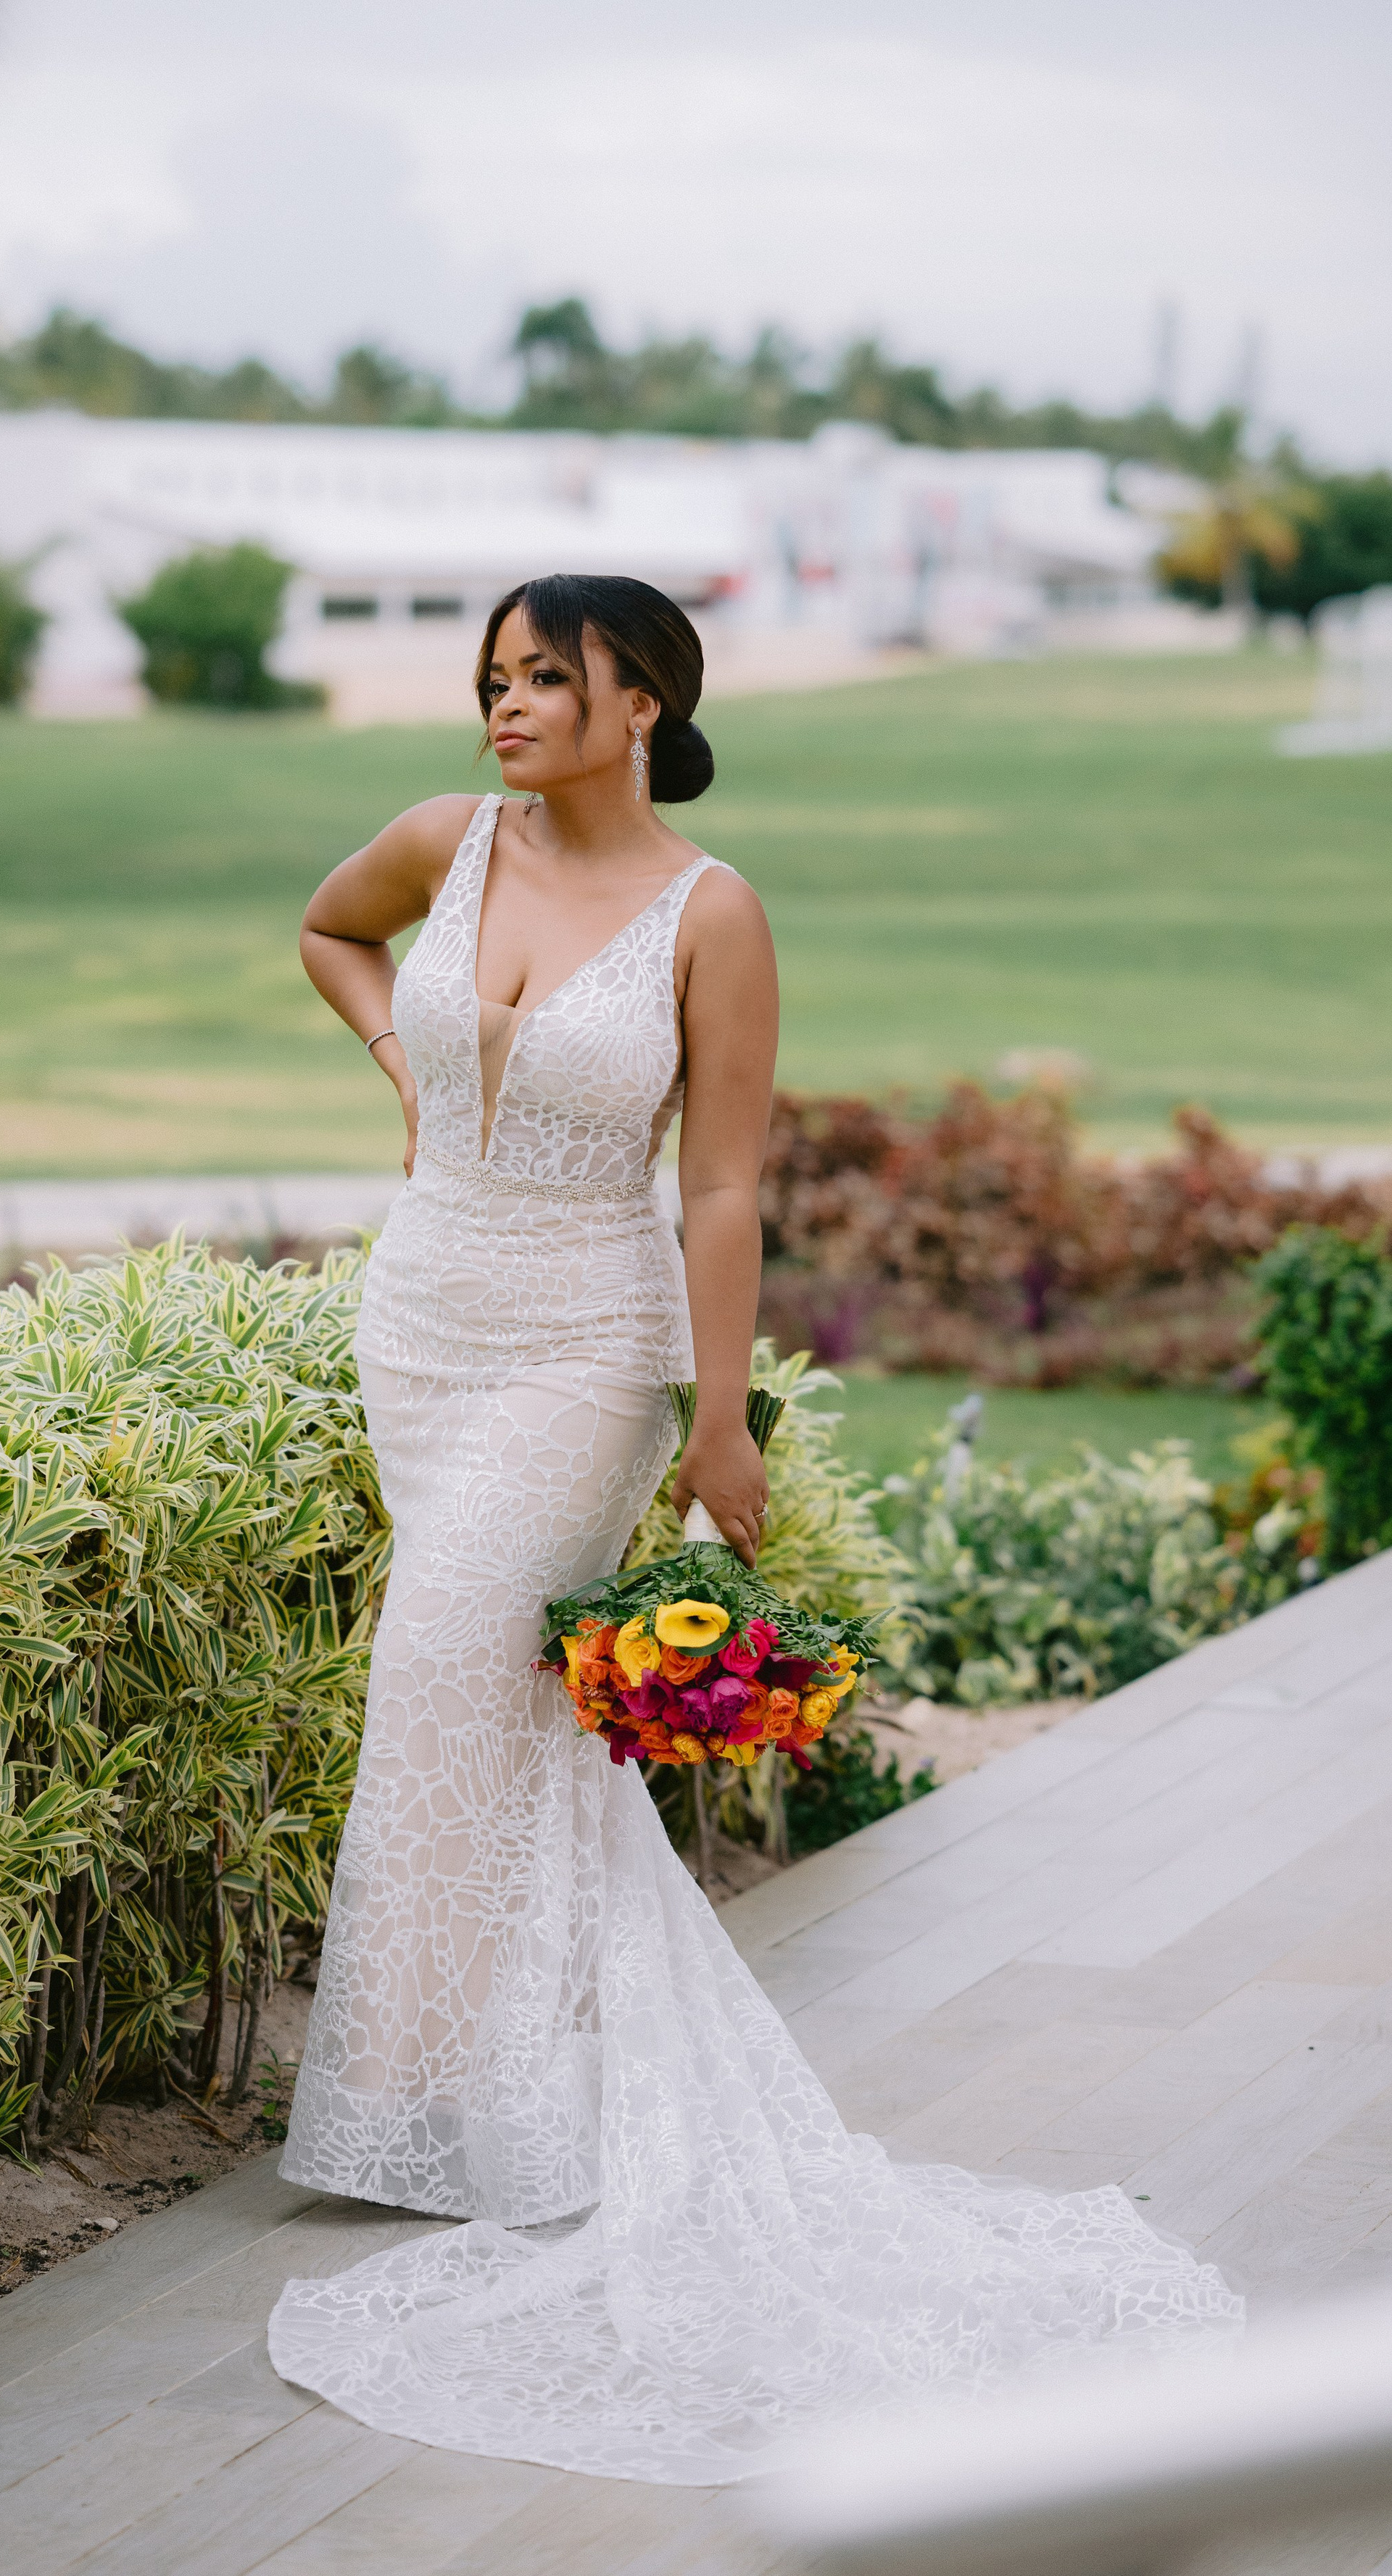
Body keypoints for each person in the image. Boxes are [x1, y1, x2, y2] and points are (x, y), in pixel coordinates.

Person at [267, 574, 1239, 2483]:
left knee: (441, 1659)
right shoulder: (438, 844)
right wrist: (400, 1057)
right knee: (502, 1710)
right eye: (495, 678)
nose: (508, 706)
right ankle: (503, 2104)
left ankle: (450, 2105)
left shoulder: (713, 915)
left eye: (550, 677)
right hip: (426, 1322)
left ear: (646, 703)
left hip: (585, 1342)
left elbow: (721, 1188)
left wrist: (720, 1416)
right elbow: (326, 933)